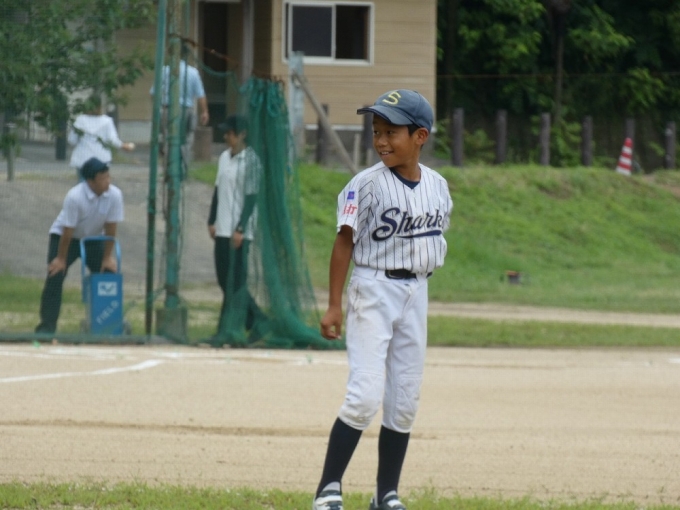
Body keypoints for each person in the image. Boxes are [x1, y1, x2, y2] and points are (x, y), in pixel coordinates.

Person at [311, 90, 453, 510]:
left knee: (405, 400)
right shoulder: (366, 185)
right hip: (373, 288)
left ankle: (386, 494)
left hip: (416, 291)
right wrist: (334, 304)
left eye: (391, 131)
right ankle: (327, 491)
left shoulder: (438, 187)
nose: (381, 140)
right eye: (377, 131)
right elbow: (344, 242)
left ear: (420, 136)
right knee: (364, 396)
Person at [35, 157, 124, 334]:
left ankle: (107, 326)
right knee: (55, 275)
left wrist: (107, 257)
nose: (108, 181)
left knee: (108, 273)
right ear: (90, 182)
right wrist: (61, 259)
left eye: (108, 176)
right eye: (102, 178)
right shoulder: (75, 197)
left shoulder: (115, 195)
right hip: (65, 239)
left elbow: (111, 228)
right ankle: (46, 329)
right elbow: (68, 230)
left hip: (93, 239)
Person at [207, 114, 266, 346]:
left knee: (237, 282)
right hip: (222, 228)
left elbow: (251, 199)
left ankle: (242, 325)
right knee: (225, 280)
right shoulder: (224, 157)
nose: (226, 137)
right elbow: (217, 190)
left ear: (242, 134)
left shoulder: (251, 161)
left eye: (230, 133)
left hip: (239, 232)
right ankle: (256, 322)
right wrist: (212, 220)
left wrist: (241, 228)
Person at [150, 59, 209, 161]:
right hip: (187, 110)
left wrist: (158, 107)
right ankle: (183, 163)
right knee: (187, 139)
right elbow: (200, 95)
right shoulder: (193, 72)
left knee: (168, 138)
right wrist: (204, 112)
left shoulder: (164, 71)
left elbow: (153, 93)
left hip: (167, 108)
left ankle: (169, 164)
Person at [68, 96, 135, 180]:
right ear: (99, 107)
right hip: (101, 159)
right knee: (99, 184)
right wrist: (123, 146)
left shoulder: (80, 120)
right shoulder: (107, 121)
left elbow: (72, 140)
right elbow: (112, 140)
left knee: (83, 185)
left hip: (82, 159)